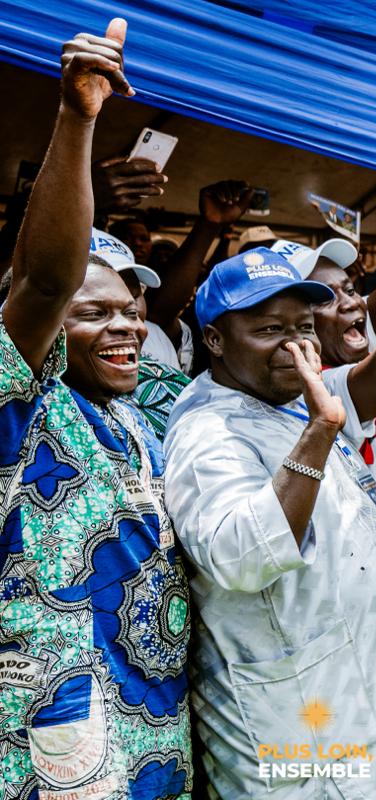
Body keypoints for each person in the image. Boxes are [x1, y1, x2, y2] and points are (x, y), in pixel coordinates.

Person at [164, 204, 376, 796]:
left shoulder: (287, 396)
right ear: (215, 339)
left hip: (357, 693)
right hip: (299, 719)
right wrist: (321, 432)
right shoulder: (209, 433)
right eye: (269, 330)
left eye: (302, 327)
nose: (294, 346)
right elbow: (244, 556)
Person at [0, 19, 194, 798]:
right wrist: (77, 117)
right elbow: (44, 281)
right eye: (94, 313)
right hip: (64, 735)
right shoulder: (25, 402)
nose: (126, 326)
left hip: (158, 725)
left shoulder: (141, 414)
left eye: (130, 309)